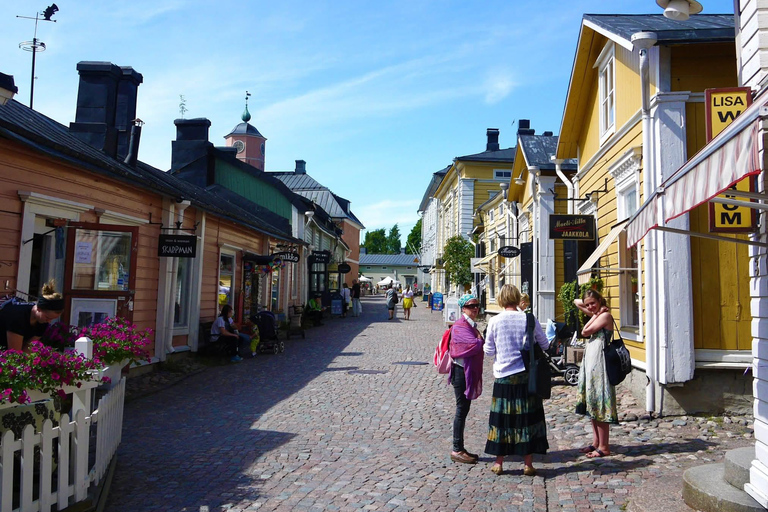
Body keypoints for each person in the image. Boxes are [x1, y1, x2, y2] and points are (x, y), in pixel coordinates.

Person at [483, 284, 549, 476]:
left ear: (501, 299)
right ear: (518, 297)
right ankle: (528, 464)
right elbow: (545, 344)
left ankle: (499, 463)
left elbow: (489, 351)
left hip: (504, 376)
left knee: (502, 420)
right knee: (526, 419)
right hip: (526, 375)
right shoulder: (529, 319)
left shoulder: (495, 321)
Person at [573, 288, 618, 458]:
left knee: (600, 404)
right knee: (592, 403)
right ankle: (596, 442)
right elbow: (576, 302)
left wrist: (596, 313)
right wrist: (593, 311)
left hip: (601, 365)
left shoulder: (605, 316)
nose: (590, 307)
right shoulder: (597, 314)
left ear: (600, 300)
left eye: (593, 303)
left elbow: (585, 331)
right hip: (591, 365)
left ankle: (604, 446)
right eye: (588, 305)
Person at [448, 293, 484, 464]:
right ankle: (456, 449)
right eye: (471, 306)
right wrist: (479, 341)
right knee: (461, 410)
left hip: (465, 371)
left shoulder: (471, 324)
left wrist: (479, 341)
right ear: (463, 308)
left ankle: (460, 447)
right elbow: (471, 346)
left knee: (464, 409)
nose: (475, 308)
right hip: (460, 372)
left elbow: (477, 343)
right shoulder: (460, 325)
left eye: (477, 305)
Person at [0, 279, 65, 351]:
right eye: (47, 317)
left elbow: (28, 348)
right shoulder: (18, 317)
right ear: (39, 309)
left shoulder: (42, 322)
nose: (49, 321)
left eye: (52, 319)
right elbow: (14, 353)